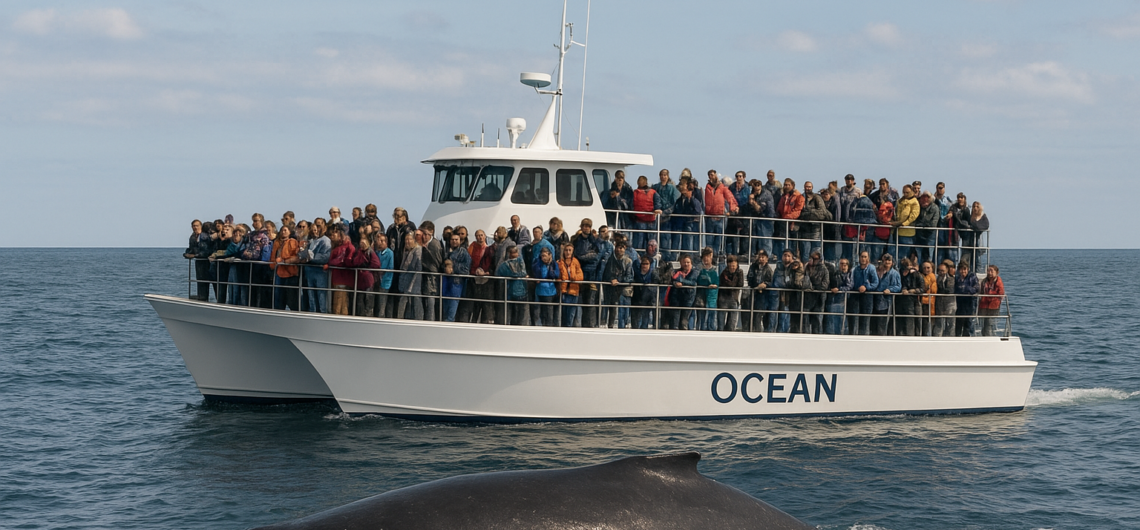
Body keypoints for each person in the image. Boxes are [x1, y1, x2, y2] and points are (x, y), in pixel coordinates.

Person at [572, 219, 601, 327]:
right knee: (577, 302)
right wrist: (585, 256)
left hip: (591, 275)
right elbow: (575, 254)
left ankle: (589, 326)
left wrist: (582, 257)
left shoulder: (594, 241)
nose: (586, 228)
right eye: (584, 226)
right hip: (579, 275)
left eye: (588, 226)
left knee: (590, 303)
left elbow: (595, 256)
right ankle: (577, 325)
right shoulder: (576, 240)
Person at [703, 169, 739, 254]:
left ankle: (717, 254)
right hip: (709, 217)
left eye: (713, 174)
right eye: (710, 175)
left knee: (719, 238)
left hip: (720, 217)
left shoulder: (722, 188)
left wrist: (732, 210)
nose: (711, 176)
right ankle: (709, 255)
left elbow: (730, 198)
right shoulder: (707, 187)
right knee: (709, 239)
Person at [601, 240, 634, 329]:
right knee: (607, 305)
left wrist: (618, 280)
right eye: (618, 247)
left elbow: (630, 277)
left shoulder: (628, 261)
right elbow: (604, 273)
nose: (619, 250)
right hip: (609, 287)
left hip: (621, 288)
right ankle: (604, 324)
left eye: (621, 248)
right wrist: (611, 279)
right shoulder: (609, 259)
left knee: (618, 308)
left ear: (625, 249)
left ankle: (623, 325)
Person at [326, 226, 358, 316]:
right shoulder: (340, 247)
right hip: (337, 278)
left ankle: (339, 319)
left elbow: (341, 260)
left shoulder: (347, 247)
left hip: (342, 278)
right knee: (340, 301)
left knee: (340, 302)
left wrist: (331, 263)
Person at [798, 181, 831, 262]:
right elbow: (799, 213)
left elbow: (822, 212)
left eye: (809, 187)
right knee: (805, 254)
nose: (808, 188)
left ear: (812, 188)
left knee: (816, 253)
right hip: (804, 231)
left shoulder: (817, 197)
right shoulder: (801, 197)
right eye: (806, 187)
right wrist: (810, 214)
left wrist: (808, 213)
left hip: (816, 230)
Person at [495, 246, 529, 325]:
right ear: (508, 253)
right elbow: (507, 273)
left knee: (521, 312)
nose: (514, 254)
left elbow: (523, 272)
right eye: (512, 252)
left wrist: (518, 275)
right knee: (512, 311)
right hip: (510, 291)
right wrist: (519, 275)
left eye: (515, 252)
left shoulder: (520, 260)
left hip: (522, 291)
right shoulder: (504, 265)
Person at [270, 225, 301, 311]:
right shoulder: (277, 242)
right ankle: (278, 312)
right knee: (278, 297)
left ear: (289, 232)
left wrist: (282, 259)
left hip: (290, 273)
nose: (283, 232)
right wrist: (272, 265)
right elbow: (273, 255)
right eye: (282, 230)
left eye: (285, 230)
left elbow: (294, 255)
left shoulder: (292, 241)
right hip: (279, 272)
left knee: (291, 298)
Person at [666, 254, 700, 330]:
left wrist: (680, 281)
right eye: (684, 262)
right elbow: (672, 280)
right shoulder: (677, 271)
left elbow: (693, 283)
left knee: (684, 322)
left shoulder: (695, 272)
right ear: (681, 263)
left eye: (688, 262)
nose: (686, 264)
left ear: (691, 263)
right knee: (674, 322)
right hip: (676, 298)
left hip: (688, 299)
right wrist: (675, 283)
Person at [652, 169, 680, 260]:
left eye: (665, 175)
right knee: (655, 237)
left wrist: (665, 213)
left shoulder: (672, 188)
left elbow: (675, 203)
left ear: (668, 176)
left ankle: (666, 259)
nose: (663, 177)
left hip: (667, 218)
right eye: (662, 175)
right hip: (656, 217)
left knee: (665, 239)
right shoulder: (655, 187)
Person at [419, 220, 444, 321]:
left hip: (432, 278)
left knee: (430, 302)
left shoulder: (434, 245)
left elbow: (437, 262)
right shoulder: (422, 243)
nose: (423, 236)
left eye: (425, 234)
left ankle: (430, 321)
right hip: (424, 277)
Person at [747, 250, 777, 332]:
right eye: (760, 257)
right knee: (753, 313)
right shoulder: (753, 267)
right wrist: (756, 286)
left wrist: (765, 285)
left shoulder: (768, 269)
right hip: (754, 292)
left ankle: (762, 331)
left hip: (764, 294)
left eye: (763, 257)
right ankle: (754, 330)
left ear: (767, 259)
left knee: (761, 314)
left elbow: (771, 281)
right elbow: (749, 278)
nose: (761, 259)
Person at [351, 232, 380, 316]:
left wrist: (366, 267)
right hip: (359, 281)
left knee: (368, 301)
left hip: (368, 281)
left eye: (364, 239)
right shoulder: (358, 252)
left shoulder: (370, 252)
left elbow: (376, 264)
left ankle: (369, 317)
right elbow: (354, 262)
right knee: (360, 301)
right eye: (361, 239)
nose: (362, 241)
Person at [630, 176, 662, 253]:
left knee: (643, 242)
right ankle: (643, 255)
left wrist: (657, 209)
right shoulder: (652, 192)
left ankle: (644, 255)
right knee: (644, 242)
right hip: (643, 220)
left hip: (646, 220)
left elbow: (658, 203)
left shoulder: (637, 193)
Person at [397, 231, 424, 320]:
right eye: (406, 239)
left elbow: (418, 267)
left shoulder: (418, 250)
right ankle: (401, 318)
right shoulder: (406, 250)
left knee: (416, 300)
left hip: (414, 280)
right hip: (405, 279)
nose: (407, 241)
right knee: (404, 301)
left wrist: (414, 282)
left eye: (409, 239)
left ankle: (419, 319)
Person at [872, 254, 901, 335]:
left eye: (889, 260)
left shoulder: (895, 274)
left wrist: (890, 290)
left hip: (886, 302)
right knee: (873, 324)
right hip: (875, 300)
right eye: (886, 260)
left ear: (892, 262)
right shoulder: (877, 271)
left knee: (883, 323)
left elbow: (898, 287)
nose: (887, 262)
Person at [531, 247, 561, 327]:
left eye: (544, 255)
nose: (543, 257)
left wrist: (550, 266)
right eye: (542, 256)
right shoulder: (537, 263)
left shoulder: (554, 264)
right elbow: (538, 274)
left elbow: (556, 275)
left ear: (549, 255)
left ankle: (549, 327)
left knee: (549, 313)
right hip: (540, 290)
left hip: (550, 291)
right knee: (539, 312)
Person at [775, 178, 804, 261]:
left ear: (793, 186)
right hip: (783, 223)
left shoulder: (799, 197)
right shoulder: (784, 197)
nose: (786, 186)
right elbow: (779, 208)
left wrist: (786, 218)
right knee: (782, 241)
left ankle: (792, 258)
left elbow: (798, 210)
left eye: (788, 185)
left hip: (793, 223)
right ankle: (782, 258)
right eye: (785, 185)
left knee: (792, 242)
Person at [184, 220, 213, 301]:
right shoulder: (192, 237)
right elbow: (191, 248)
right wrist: (187, 253)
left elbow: (208, 250)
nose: (195, 227)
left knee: (211, 281)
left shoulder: (205, 236)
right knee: (200, 280)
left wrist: (195, 255)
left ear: (201, 226)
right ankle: (202, 297)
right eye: (193, 226)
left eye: (197, 225)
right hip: (199, 261)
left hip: (207, 261)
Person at [803, 251, 830, 334]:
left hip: (819, 297)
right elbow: (803, 281)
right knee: (805, 320)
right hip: (807, 297)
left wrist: (814, 288)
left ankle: (816, 337)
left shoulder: (824, 269)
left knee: (816, 320)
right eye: (812, 258)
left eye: (815, 258)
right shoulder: (807, 267)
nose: (813, 260)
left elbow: (825, 284)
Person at [897, 257, 925, 336]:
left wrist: (913, 291)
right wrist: (903, 289)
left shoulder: (916, 274)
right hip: (901, 302)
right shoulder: (899, 274)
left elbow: (922, 289)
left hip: (914, 302)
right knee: (902, 323)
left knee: (915, 322)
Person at [725, 171, 752, 256]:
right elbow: (729, 197)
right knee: (732, 232)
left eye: (740, 176)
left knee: (744, 232)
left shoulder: (748, 187)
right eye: (737, 176)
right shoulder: (732, 187)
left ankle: (743, 252)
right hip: (734, 211)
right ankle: (732, 252)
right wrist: (734, 207)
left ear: (744, 177)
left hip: (745, 211)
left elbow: (748, 199)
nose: (738, 178)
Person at [892, 184, 920, 261]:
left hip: (907, 233)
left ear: (912, 192)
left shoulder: (915, 202)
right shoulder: (900, 201)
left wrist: (903, 224)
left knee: (903, 256)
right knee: (894, 255)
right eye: (904, 192)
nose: (905, 194)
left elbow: (913, 216)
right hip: (897, 232)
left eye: (907, 192)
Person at [558, 243, 584, 327]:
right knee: (563, 314)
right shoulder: (560, 262)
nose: (568, 252)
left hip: (573, 291)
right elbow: (558, 275)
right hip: (563, 291)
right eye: (566, 250)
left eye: (570, 250)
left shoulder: (575, 262)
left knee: (571, 314)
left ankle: (569, 329)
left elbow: (580, 276)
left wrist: (572, 277)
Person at [695, 247, 720, 331]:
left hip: (712, 297)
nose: (706, 258)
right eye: (705, 256)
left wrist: (714, 285)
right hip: (701, 297)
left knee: (712, 316)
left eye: (708, 256)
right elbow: (697, 281)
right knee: (701, 318)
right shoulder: (699, 269)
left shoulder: (716, 269)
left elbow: (717, 282)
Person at [673, 182, 703, 252]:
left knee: (689, 241)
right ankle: (679, 255)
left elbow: (697, 210)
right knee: (679, 240)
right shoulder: (680, 200)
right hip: (681, 223)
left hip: (690, 222)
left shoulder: (694, 200)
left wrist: (690, 198)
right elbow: (677, 209)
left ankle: (689, 255)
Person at [827, 258, 853, 334]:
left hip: (847, 301)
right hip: (836, 301)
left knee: (844, 322)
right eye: (841, 264)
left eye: (845, 264)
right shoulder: (835, 274)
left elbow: (850, 286)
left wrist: (839, 289)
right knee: (835, 322)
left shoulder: (850, 275)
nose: (843, 266)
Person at [718, 254, 744, 332]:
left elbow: (740, 284)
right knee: (721, 322)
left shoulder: (740, 272)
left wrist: (730, 283)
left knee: (732, 322)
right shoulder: (723, 273)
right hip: (723, 298)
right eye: (731, 265)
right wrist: (732, 284)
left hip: (734, 298)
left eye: (734, 265)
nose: (732, 267)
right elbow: (724, 283)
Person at [631, 256, 658, 329]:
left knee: (645, 320)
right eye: (643, 264)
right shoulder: (636, 273)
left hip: (649, 300)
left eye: (646, 264)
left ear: (650, 265)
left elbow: (656, 285)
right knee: (635, 321)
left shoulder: (653, 273)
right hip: (637, 299)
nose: (644, 266)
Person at [954, 260, 979, 336]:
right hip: (959, 303)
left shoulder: (973, 277)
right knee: (959, 323)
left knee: (968, 323)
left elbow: (976, 289)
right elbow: (955, 289)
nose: (963, 271)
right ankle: (957, 338)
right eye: (961, 269)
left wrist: (965, 288)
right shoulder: (957, 278)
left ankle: (968, 337)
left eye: (965, 269)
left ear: (968, 269)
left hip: (970, 303)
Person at [371, 233, 394, 318]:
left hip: (385, 281)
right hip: (376, 280)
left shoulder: (390, 253)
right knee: (375, 302)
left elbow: (390, 267)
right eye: (379, 241)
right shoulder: (376, 252)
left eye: (382, 241)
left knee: (382, 303)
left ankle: (382, 318)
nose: (380, 243)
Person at [914, 192, 940, 264]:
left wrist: (924, 225)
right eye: (923, 198)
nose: (924, 200)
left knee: (929, 255)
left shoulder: (935, 208)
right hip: (919, 235)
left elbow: (933, 224)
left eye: (926, 198)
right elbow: (917, 222)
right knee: (918, 254)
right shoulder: (919, 207)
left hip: (930, 234)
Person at [979, 264, 1005, 336]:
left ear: (996, 272)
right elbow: (981, 291)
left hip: (993, 306)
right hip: (983, 305)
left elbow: (1001, 293)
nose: (989, 272)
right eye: (988, 270)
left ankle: (988, 336)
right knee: (983, 323)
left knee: (989, 323)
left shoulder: (998, 282)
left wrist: (991, 295)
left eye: (991, 271)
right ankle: (984, 335)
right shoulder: (984, 281)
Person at [933, 261, 956, 337]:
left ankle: (950, 338)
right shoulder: (937, 279)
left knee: (950, 323)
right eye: (939, 270)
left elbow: (950, 290)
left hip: (950, 303)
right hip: (940, 304)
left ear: (947, 270)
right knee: (939, 323)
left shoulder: (952, 279)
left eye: (942, 270)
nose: (941, 272)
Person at [820, 187, 842, 263]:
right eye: (823, 194)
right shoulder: (821, 203)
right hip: (823, 229)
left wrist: (836, 225)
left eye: (826, 194)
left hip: (832, 228)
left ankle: (831, 263)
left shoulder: (834, 202)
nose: (824, 196)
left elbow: (837, 214)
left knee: (831, 248)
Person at [968, 202, 990, 274]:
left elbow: (985, 226)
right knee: (969, 257)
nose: (975, 208)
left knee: (977, 257)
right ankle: (970, 272)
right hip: (969, 239)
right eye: (974, 206)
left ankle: (977, 271)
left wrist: (975, 226)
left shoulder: (983, 216)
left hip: (978, 239)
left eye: (977, 206)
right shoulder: (970, 217)